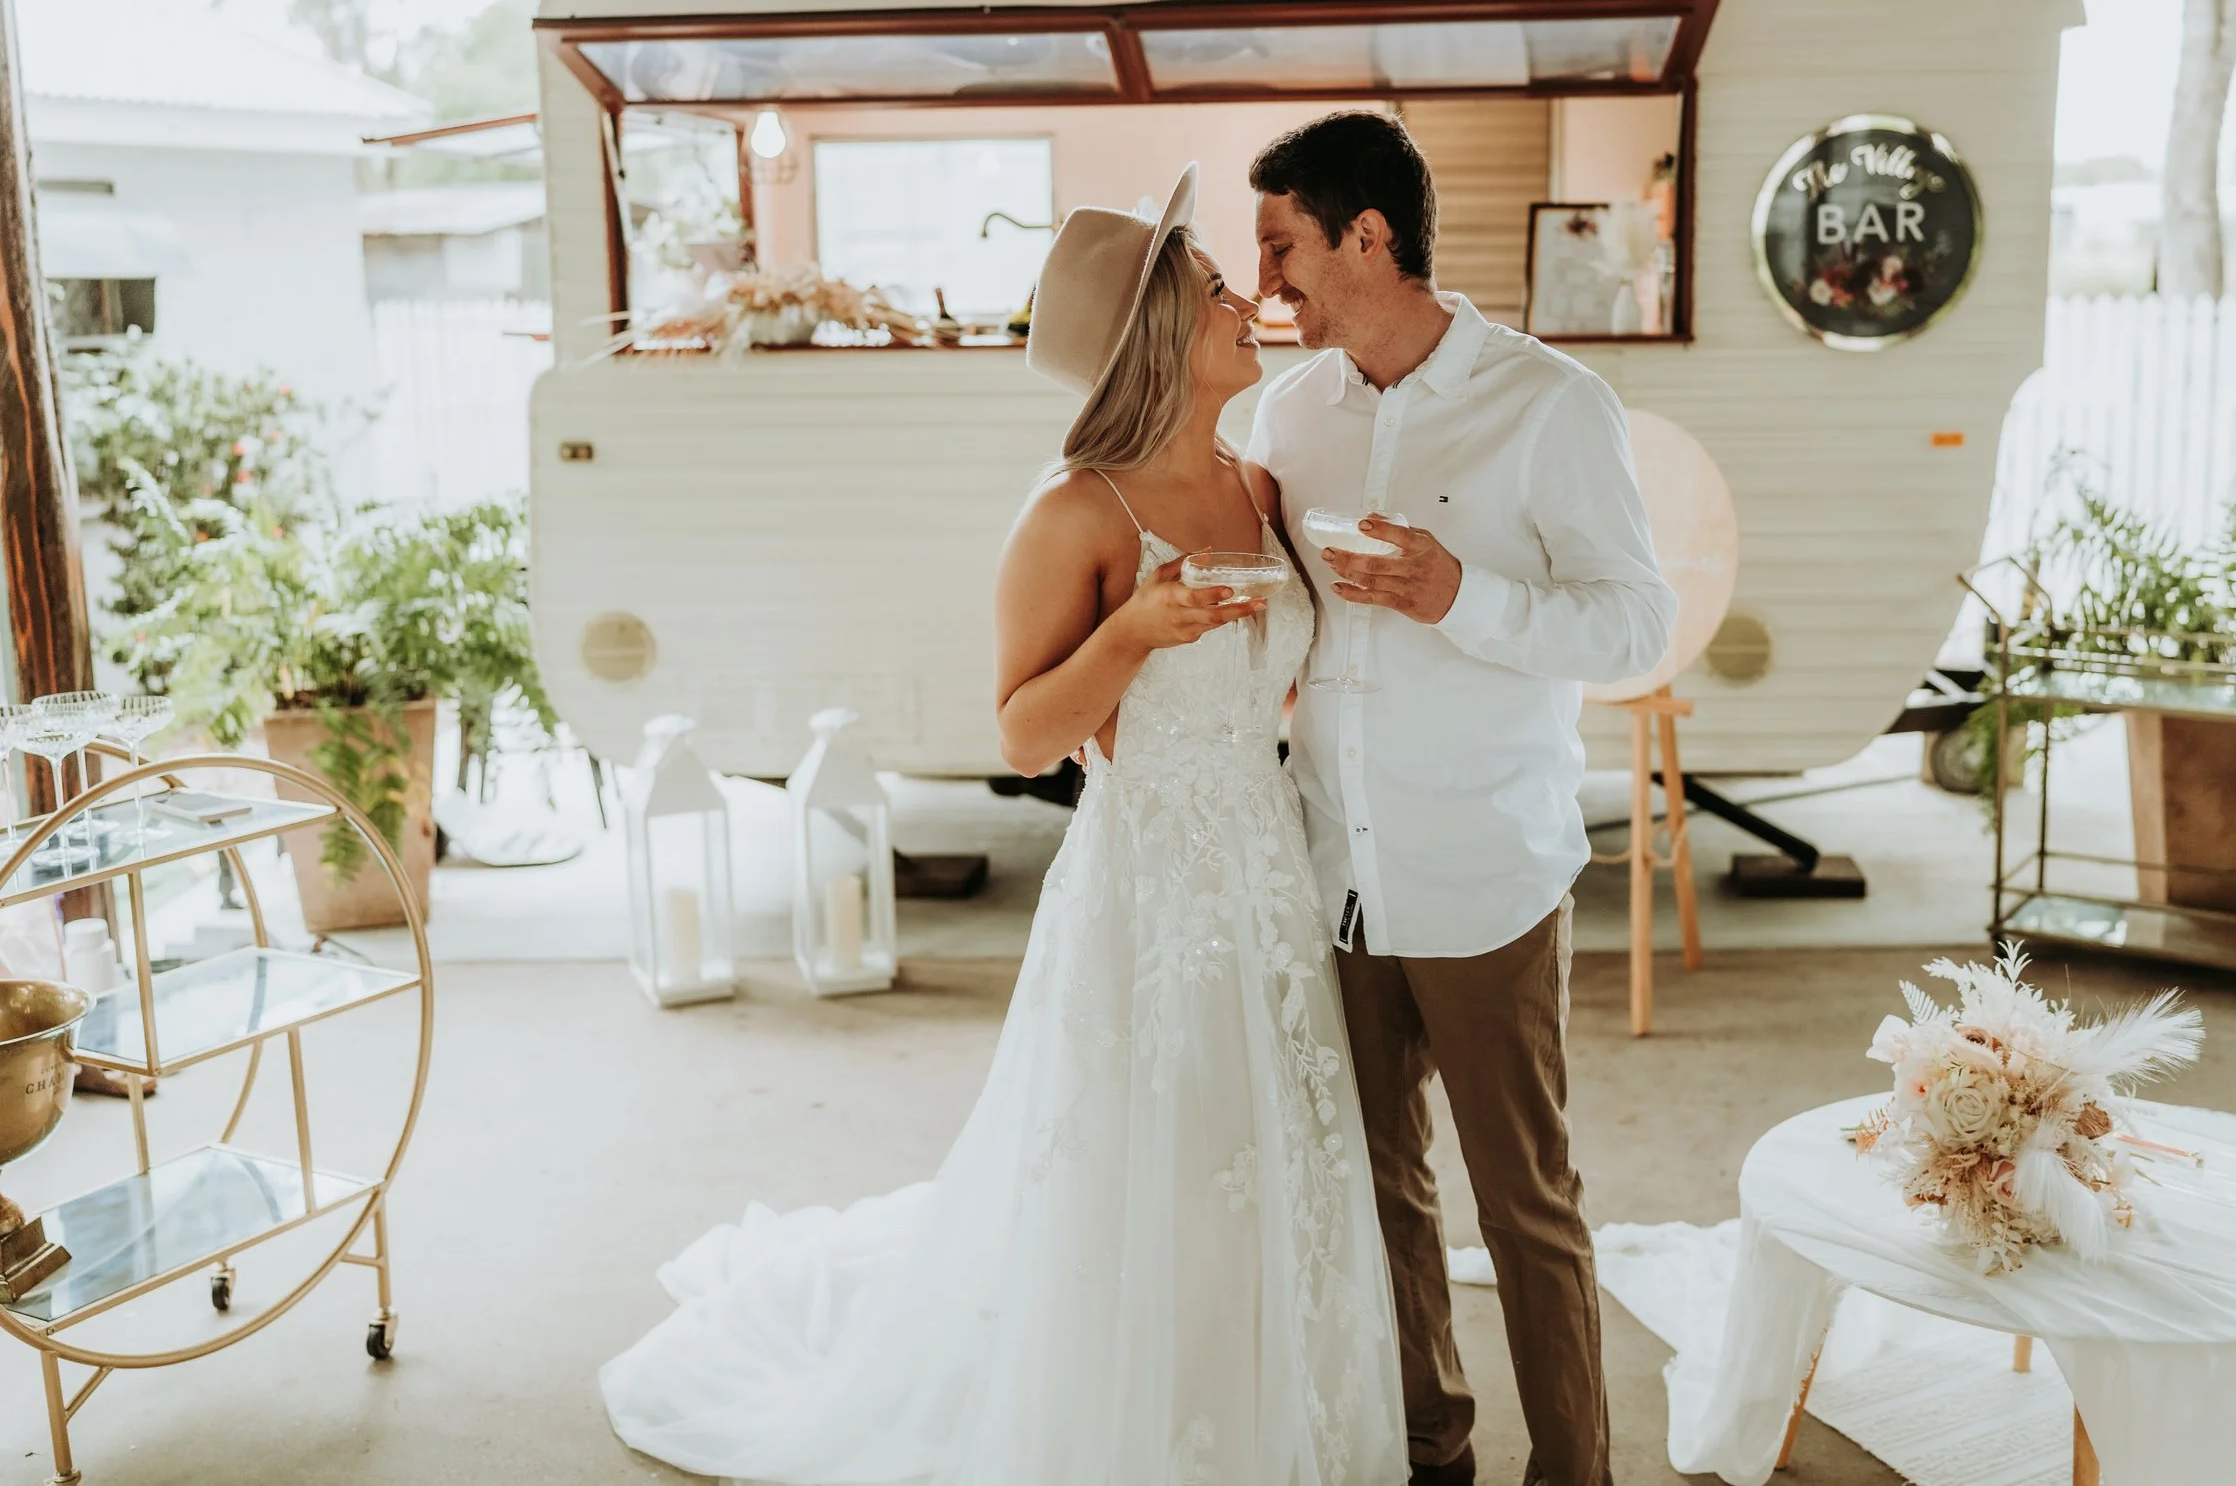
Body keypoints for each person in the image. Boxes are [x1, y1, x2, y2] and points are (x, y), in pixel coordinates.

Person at [600, 165, 1407, 1485]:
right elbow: (1027, 732)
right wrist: (1138, 628)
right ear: (1156, 338)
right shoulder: (1075, 511)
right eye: (1214, 293)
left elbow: (1286, 671)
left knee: (1263, 1159)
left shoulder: (1256, 484)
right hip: (1148, 887)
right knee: (1146, 1165)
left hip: (1266, 870)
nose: (1245, 303)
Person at [1243, 113, 1676, 1486]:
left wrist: (1461, 596)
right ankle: (1433, 1451)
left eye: (1284, 247)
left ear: (1368, 237)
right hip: (1335, 873)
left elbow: (1636, 630)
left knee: (1527, 1205)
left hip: (1485, 869)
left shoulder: (1550, 405)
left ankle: (1576, 1470)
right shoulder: (1286, 412)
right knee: (1380, 1197)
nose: (1269, 283)